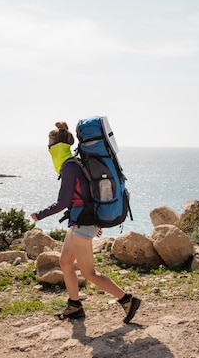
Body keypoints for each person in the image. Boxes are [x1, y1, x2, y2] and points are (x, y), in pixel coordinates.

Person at [30, 121, 141, 324]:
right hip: (81, 221)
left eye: (49, 142)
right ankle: (75, 306)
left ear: (56, 145)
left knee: (89, 273)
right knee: (65, 262)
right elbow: (86, 195)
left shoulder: (69, 167)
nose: (47, 147)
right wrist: (95, 221)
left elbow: (63, 201)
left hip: (82, 222)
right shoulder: (74, 163)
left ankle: (127, 300)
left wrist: (40, 214)